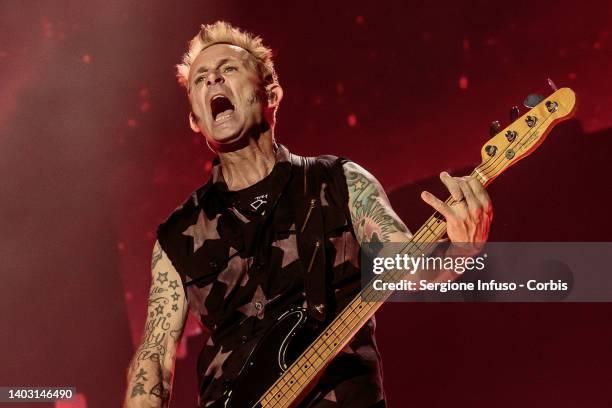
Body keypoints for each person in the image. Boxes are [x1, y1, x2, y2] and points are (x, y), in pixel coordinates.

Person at [123, 21, 493, 408]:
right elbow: (155, 355)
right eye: (201, 78)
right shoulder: (178, 234)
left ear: (272, 94)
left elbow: (410, 268)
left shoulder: (338, 181)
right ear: (195, 120)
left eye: (229, 69)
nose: (213, 78)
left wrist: (462, 248)